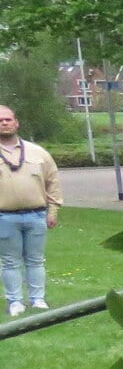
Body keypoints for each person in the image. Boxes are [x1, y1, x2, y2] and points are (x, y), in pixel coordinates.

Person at [0, 105, 62, 317]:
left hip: (36, 215)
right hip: (4, 217)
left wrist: (53, 211)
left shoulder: (38, 153)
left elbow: (53, 182)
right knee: (9, 261)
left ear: (16, 123)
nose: (4, 123)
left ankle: (38, 299)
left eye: (8, 119)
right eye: (0, 120)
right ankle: (15, 301)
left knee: (36, 259)